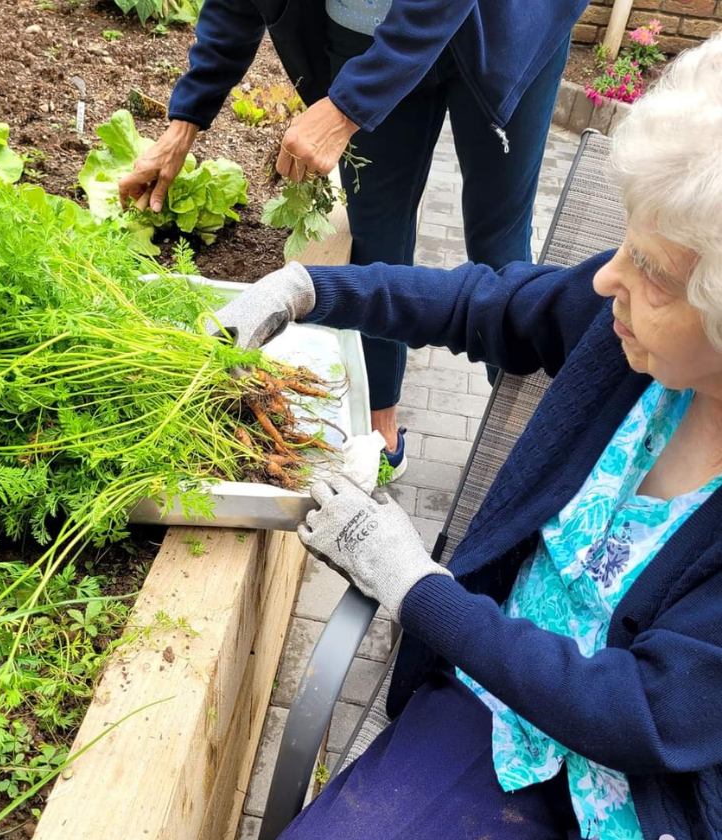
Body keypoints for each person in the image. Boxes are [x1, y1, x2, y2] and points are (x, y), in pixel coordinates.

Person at [212, 35, 722, 840]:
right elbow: (482, 304)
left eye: (651, 269)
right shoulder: (625, 329)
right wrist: (311, 287)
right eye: (626, 241)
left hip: (628, 801)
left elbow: (642, 714)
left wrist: (416, 586)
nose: (605, 278)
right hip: (486, 715)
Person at [117, 0, 588, 476]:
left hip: (506, 22)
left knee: (498, 242)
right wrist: (184, 123)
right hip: (365, 25)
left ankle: (532, 449)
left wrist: (346, 108)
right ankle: (378, 421)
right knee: (376, 228)